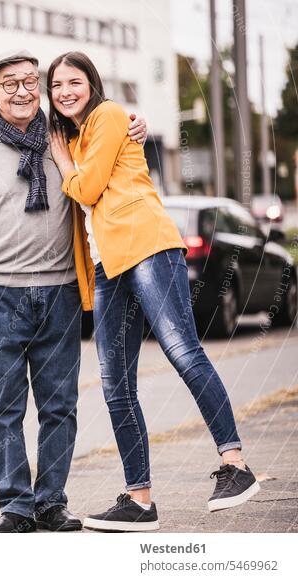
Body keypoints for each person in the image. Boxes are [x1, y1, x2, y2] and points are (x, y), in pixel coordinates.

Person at [0, 49, 148, 533]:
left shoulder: (66, 138)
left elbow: (112, 147)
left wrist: (135, 125)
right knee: (4, 406)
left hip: (60, 291)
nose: (22, 91)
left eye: (29, 82)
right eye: (10, 83)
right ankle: (16, 507)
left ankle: (51, 503)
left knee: (59, 405)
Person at [47, 51, 259, 532]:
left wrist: (63, 160)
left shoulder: (107, 115)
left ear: (91, 83)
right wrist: (68, 152)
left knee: (182, 349)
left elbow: (87, 187)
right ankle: (139, 500)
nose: (65, 91)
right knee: (115, 382)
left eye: (74, 81)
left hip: (145, 245)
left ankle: (236, 465)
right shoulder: (79, 133)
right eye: (56, 84)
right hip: (109, 264)